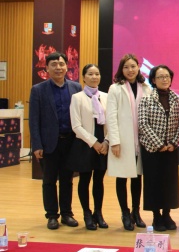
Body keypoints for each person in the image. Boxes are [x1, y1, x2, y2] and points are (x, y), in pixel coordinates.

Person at [29, 52, 82, 230]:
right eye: (53, 64)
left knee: (67, 180)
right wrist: (36, 145)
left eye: (61, 64)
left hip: (70, 142)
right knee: (49, 180)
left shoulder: (76, 87)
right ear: (46, 68)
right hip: (48, 144)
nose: (58, 67)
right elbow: (34, 120)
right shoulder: (38, 90)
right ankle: (52, 215)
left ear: (67, 67)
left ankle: (67, 214)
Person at [106, 54, 151, 231]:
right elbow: (111, 116)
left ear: (138, 67)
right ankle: (125, 213)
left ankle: (136, 212)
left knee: (137, 177)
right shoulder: (115, 88)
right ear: (121, 69)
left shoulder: (146, 88)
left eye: (133, 66)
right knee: (122, 177)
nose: (130, 70)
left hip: (141, 141)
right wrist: (114, 141)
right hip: (123, 141)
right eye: (126, 67)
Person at [138, 65, 179, 231]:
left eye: (167, 76)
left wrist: (174, 142)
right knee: (154, 183)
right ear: (153, 80)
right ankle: (156, 216)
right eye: (160, 77)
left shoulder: (175, 99)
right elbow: (143, 124)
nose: (164, 79)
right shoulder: (146, 99)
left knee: (169, 183)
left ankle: (167, 214)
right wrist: (159, 144)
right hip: (152, 149)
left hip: (170, 149)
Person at [68, 64, 109, 230]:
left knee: (99, 180)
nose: (94, 77)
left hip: (103, 144)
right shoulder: (77, 98)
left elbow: (112, 122)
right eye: (90, 74)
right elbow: (76, 126)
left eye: (97, 74)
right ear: (83, 77)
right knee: (84, 180)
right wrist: (94, 142)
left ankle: (98, 213)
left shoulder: (106, 97)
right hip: (85, 144)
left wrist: (106, 141)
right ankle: (87, 213)